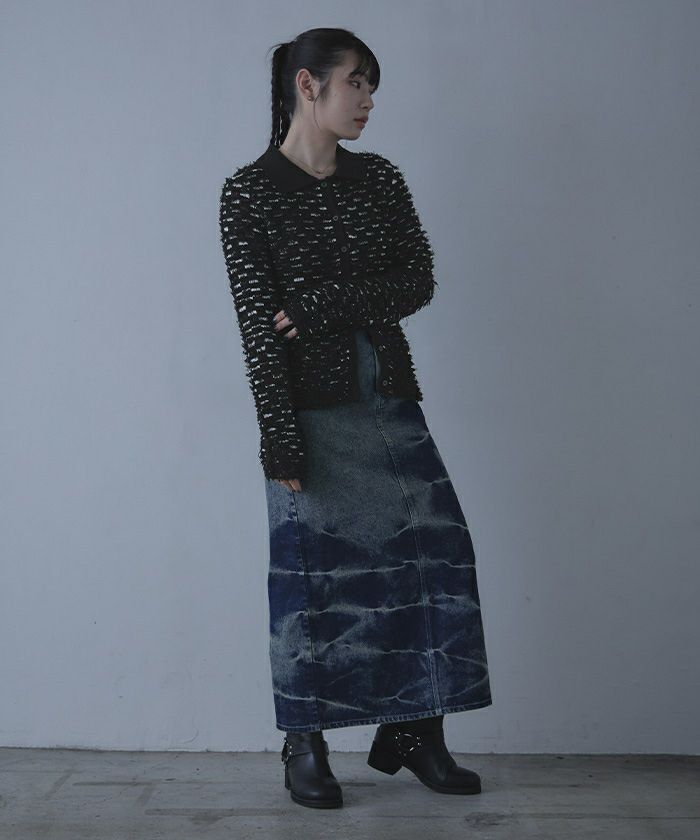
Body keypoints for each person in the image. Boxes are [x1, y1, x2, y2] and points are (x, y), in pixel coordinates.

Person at [219, 27, 493, 809]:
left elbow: (417, 279)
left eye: (373, 86)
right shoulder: (249, 193)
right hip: (308, 411)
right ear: (308, 86)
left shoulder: (379, 180)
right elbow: (256, 329)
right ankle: (304, 743)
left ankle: (415, 729)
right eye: (357, 83)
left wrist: (322, 304)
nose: (369, 100)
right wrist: (279, 438)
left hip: (388, 397)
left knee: (436, 557)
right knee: (313, 579)